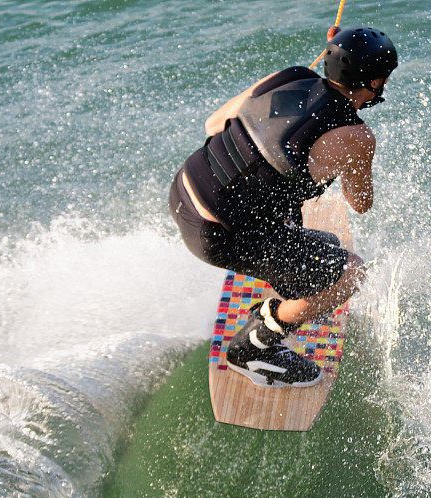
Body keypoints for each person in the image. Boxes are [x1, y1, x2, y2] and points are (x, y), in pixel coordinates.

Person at [169, 26, 398, 387]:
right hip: (219, 235)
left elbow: (214, 124)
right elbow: (360, 203)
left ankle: (293, 282)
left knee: (322, 240)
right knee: (351, 271)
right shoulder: (357, 136)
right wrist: (350, 157)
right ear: (375, 82)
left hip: (184, 189)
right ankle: (254, 347)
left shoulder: (290, 75)